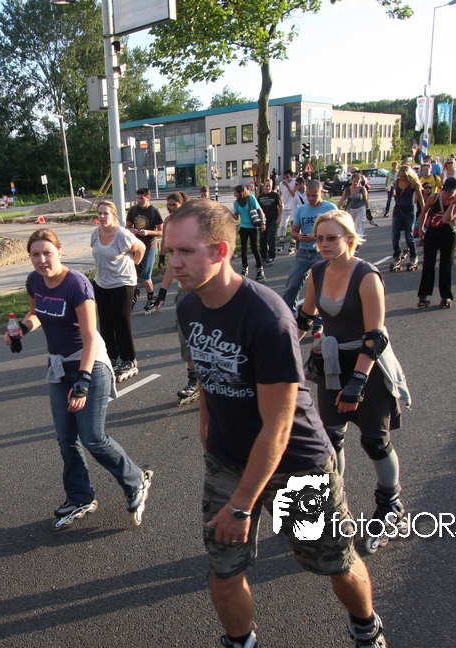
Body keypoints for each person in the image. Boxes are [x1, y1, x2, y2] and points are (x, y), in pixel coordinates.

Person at [164, 201, 388, 648]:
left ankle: (366, 628)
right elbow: (207, 377)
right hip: (228, 461)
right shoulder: (189, 308)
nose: (174, 263)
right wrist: (208, 438)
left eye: (185, 251)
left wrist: (243, 505)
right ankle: (241, 641)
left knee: (333, 563)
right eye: (170, 251)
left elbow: (278, 427)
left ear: (221, 251)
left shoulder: (267, 318)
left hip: (295, 467)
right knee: (224, 569)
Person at [4, 229, 152, 528]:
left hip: (90, 363)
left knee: (93, 437)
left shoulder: (77, 284)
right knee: (66, 439)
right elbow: (36, 314)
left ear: (59, 252)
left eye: (47, 253)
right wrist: (22, 328)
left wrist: (83, 382)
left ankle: (136, 479)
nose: (42, 260)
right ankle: (80, 496)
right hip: (58, 367)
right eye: (35, 254)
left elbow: (90, 337)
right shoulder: (34, 281)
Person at [299, 210, 411, 558]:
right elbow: (305, 318)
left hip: (368, 366)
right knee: (330, 440)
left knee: (375, 441)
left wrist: (357, 384)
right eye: (319, 238)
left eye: (332, 238)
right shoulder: (318, 271)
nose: (324, 244)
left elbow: (375, 338)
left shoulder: (366, 276)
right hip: (333, 366)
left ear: (349, 238)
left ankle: (391, 506)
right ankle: (335, 505)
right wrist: (279, 351)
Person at [90, 200, 145, 383]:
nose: (102, 216)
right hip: (102, 284)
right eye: (100, 213)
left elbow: (141, 248)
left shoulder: (122, 234)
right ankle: (111, 358)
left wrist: (134, 266)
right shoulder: (95, 234)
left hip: (123, 283)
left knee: (121, 323)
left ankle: (129, 359)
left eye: (106, 213)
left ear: (113, 215)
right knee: (106, 324)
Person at [154, 193, 199, 404]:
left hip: (203, 291)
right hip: (183, 291)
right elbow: (173, 265)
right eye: (169, 205)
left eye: (174, 205)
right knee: (185, 338)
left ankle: (213, 378)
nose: (170, 208)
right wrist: (162, 293)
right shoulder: (172, 230)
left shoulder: (197, 229)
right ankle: (194, 380)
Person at [281, 180, 333, 317]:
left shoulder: (330, 208)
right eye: (308, 195)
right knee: (292, 284)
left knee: (321, 286)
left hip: (320, 253)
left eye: (314, 195)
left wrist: (316, 236)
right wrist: (298, 236)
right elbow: (294, 231)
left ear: (321, 192)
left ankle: (319, 319)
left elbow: (336, 232)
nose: (310, 198)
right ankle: (288, 316)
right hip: (303, 252)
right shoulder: (302, 209)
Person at [416, 177, 456, 308]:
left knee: (446, 264)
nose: (447, 193)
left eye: (451, 191)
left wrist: (452, 204)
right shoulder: (434, 197)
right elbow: (424, 212)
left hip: (448, 234)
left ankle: (446, 296)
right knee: (428, 262)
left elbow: (447, 218)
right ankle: (423, 295)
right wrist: (421, 228)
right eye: (446, 190)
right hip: (432, 233)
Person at [126, 187, 165, 314]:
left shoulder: (154, 211)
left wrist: (148, 232)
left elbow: (162, 232)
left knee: (145, 276)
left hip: (149, 246)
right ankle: (131, 298)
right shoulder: (133, 210)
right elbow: (126, 227)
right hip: (135, 247)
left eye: (142, 198)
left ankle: (151, 298)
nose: (139, 201)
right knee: (132, 273)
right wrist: (131, 230)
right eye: (138, 198)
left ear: (148, 198)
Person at [389, 166, 424, 271]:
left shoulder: (413, 184)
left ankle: (413, 256)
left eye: (405, 176)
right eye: (401, 176)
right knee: (395, 236)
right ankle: (396, 256)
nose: (403, 178)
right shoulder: (396, 182)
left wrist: (424, 212)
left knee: (409, 236)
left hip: (409, 212)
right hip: (398, 212)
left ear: (409, 175)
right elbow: (395, 195)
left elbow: (420, 199)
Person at [231, 184, 265, 282]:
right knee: (243, 249)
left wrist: (263, 223)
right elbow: (236, 217)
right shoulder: (236, 203)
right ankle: (244, 268)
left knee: (254, 248)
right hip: (243, 227)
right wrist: (228, 212)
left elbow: (260, 210)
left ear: (241, 193)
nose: (234, 195)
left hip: (252, 227)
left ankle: (260, 269)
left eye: (236, 193)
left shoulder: (251, 198)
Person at [256, 178, 282, 266]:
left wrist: (279, 218)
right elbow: (257, 208)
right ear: (264, 186)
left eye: (269, 186)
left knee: (270, 238)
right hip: (263, 221)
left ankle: (271, 255)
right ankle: (263, 256)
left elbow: (281, 207)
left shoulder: (275, 196)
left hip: (273, 220)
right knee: (262, 239)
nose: (268, 188)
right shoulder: (260, 197)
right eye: (266, 186)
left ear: (272, 186)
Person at [337, 173, 369, 237]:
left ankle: (357, 241)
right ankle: (351, 241)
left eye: (358, 181)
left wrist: (368, 210)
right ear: (351, 180)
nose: (356, 183)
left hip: (360, 210)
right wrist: (336, 210)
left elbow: (365, 200)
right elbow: (341, 200)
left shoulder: (362, 189)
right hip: (350, 210)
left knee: (358, 228)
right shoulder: (347, 190)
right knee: (350, 228)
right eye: (354, 181)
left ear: (360, 181)